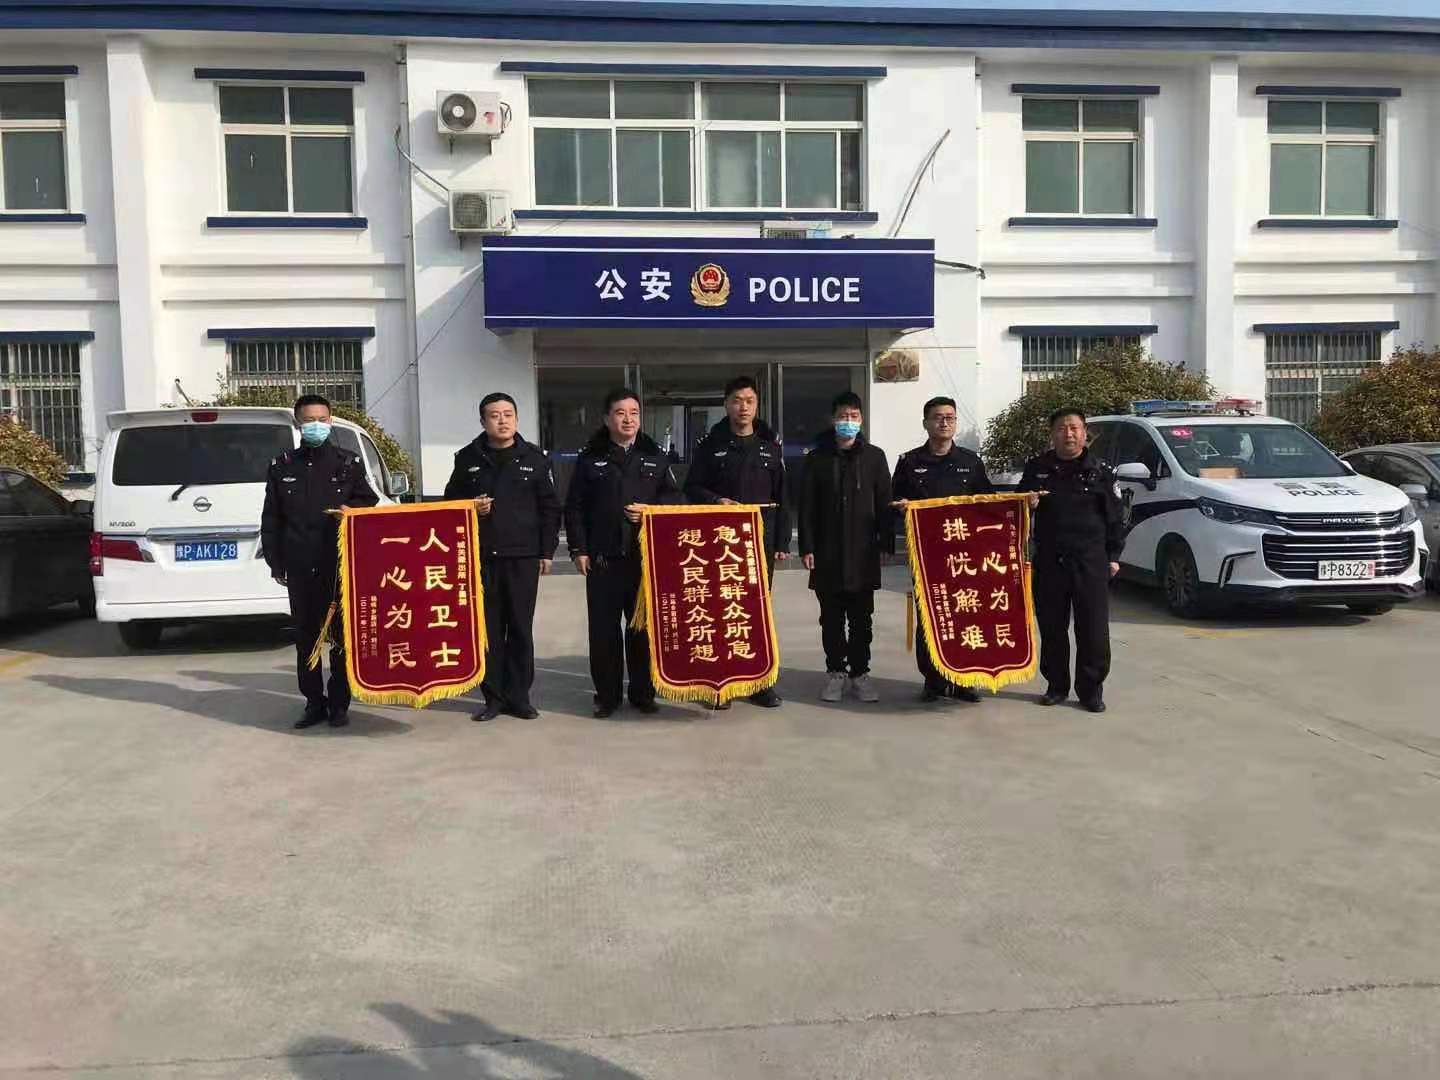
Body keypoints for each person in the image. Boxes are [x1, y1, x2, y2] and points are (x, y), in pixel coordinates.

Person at [261, 394, 379, 729]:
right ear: (298, 423)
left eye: (322, 420)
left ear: (330, 421)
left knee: (341, 638)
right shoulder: (282, 465)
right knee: (307, 637)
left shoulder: (347, 462)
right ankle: (314, 702)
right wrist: (276, 563)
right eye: (309, 420)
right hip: (300, 563)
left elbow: (367, 501)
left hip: (339, 564)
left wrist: (352, 511)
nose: (316, 425)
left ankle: (340, 704)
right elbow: (271, 518)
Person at [565, 388, 682, 718]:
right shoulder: (591, 459)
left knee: (641, 629)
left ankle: (643, 693)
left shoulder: (655, 457)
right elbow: (575, 507)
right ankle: (607, 696)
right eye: (620, 413)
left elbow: (676, 500)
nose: (628, 419)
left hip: (643, 559)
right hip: (602, 560)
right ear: (607, 419)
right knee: (603, 632)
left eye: (634, 413)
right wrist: (578, 549)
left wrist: (651, 510)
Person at [445, 392, 560, 722]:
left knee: (521, 628)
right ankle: (493, 698)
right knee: (490, 630)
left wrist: (547, 551)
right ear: (483, 421)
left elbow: (550, 509)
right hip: (482, 556)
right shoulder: (467, 458)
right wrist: (471, 506)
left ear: (517, 419)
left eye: (508, 414)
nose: (502, 420)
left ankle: (520, 697)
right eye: (495, 415)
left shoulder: (535, 459)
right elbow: (451, 502)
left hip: (523, 555)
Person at [685, 375, 790, 709]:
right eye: (736, 400)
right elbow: (692, 487)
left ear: (757, 405)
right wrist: (717, 501)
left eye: (749, 401)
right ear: (726, 404)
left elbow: (782, 497)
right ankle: (722, 683)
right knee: (722, 609)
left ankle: (760, 682)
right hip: (721, 542)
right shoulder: (710, 445)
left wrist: (782, 541)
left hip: (760, 541)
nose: (743, 407)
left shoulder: (770, 446)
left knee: (757, 610)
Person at [1017, 407, 1126, 713]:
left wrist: (1114, 557)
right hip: (1050, 560)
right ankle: (1056, 686)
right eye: (1062, 428)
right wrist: (1028, 504)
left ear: (1084, 433)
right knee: (1052, 627)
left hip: (1091, 561)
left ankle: (1091, 691)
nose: (1069, 434)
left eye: (1075, 428)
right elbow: (1016, 508)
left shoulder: (1100, 471)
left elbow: (1116, 518)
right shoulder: (1037, 469)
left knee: (1093, 630)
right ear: (1052, 434)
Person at [892, 396, 995, 704]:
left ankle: (964, 679)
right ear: (926, 423)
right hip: (927, 554)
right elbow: (893, 502)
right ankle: (933, 680)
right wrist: (902, 509)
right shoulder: (909, 462)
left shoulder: (971, 462)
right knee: (930, 615)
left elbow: (987, 504)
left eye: (950, 417)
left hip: (964, 555)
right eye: (938, 417)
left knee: (965, 613)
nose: (944, 422)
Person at [798, 391, 893, 704]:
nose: (848, 421)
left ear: (861, 420)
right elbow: (807, 506)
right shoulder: (817, 458)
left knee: (862, 619)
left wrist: (886, 541)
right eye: (842, 416)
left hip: (864, 552)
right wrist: (807, 546)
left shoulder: (875, 457)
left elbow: (884, 502)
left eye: (853, 416)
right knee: (831, 619)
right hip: (827, 552)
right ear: (832, 419)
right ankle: (836, 673)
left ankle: (860, 673)